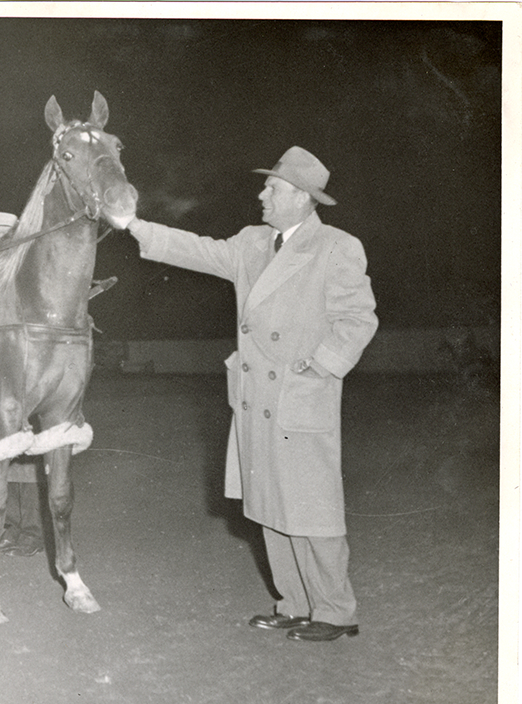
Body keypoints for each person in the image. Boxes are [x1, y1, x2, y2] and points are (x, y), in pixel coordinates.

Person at [109, 147, 378, 642]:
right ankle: (295, 602)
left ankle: (336, 611)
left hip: (300, 395)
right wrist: (134, 225)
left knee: (311, 508)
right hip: (256, 397)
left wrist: (320, 366)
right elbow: (197, 250)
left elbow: (359, 320)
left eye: (272, 187)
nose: (262, 193)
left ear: (300, 197)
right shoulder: (253, 242)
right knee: (269, 504)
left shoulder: (336, 246)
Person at [0, 211, 46, 557]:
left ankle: (30, 530)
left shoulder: (26, 274)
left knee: (25, 456)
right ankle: (8, 528)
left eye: (2, 236)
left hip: (22, 369)